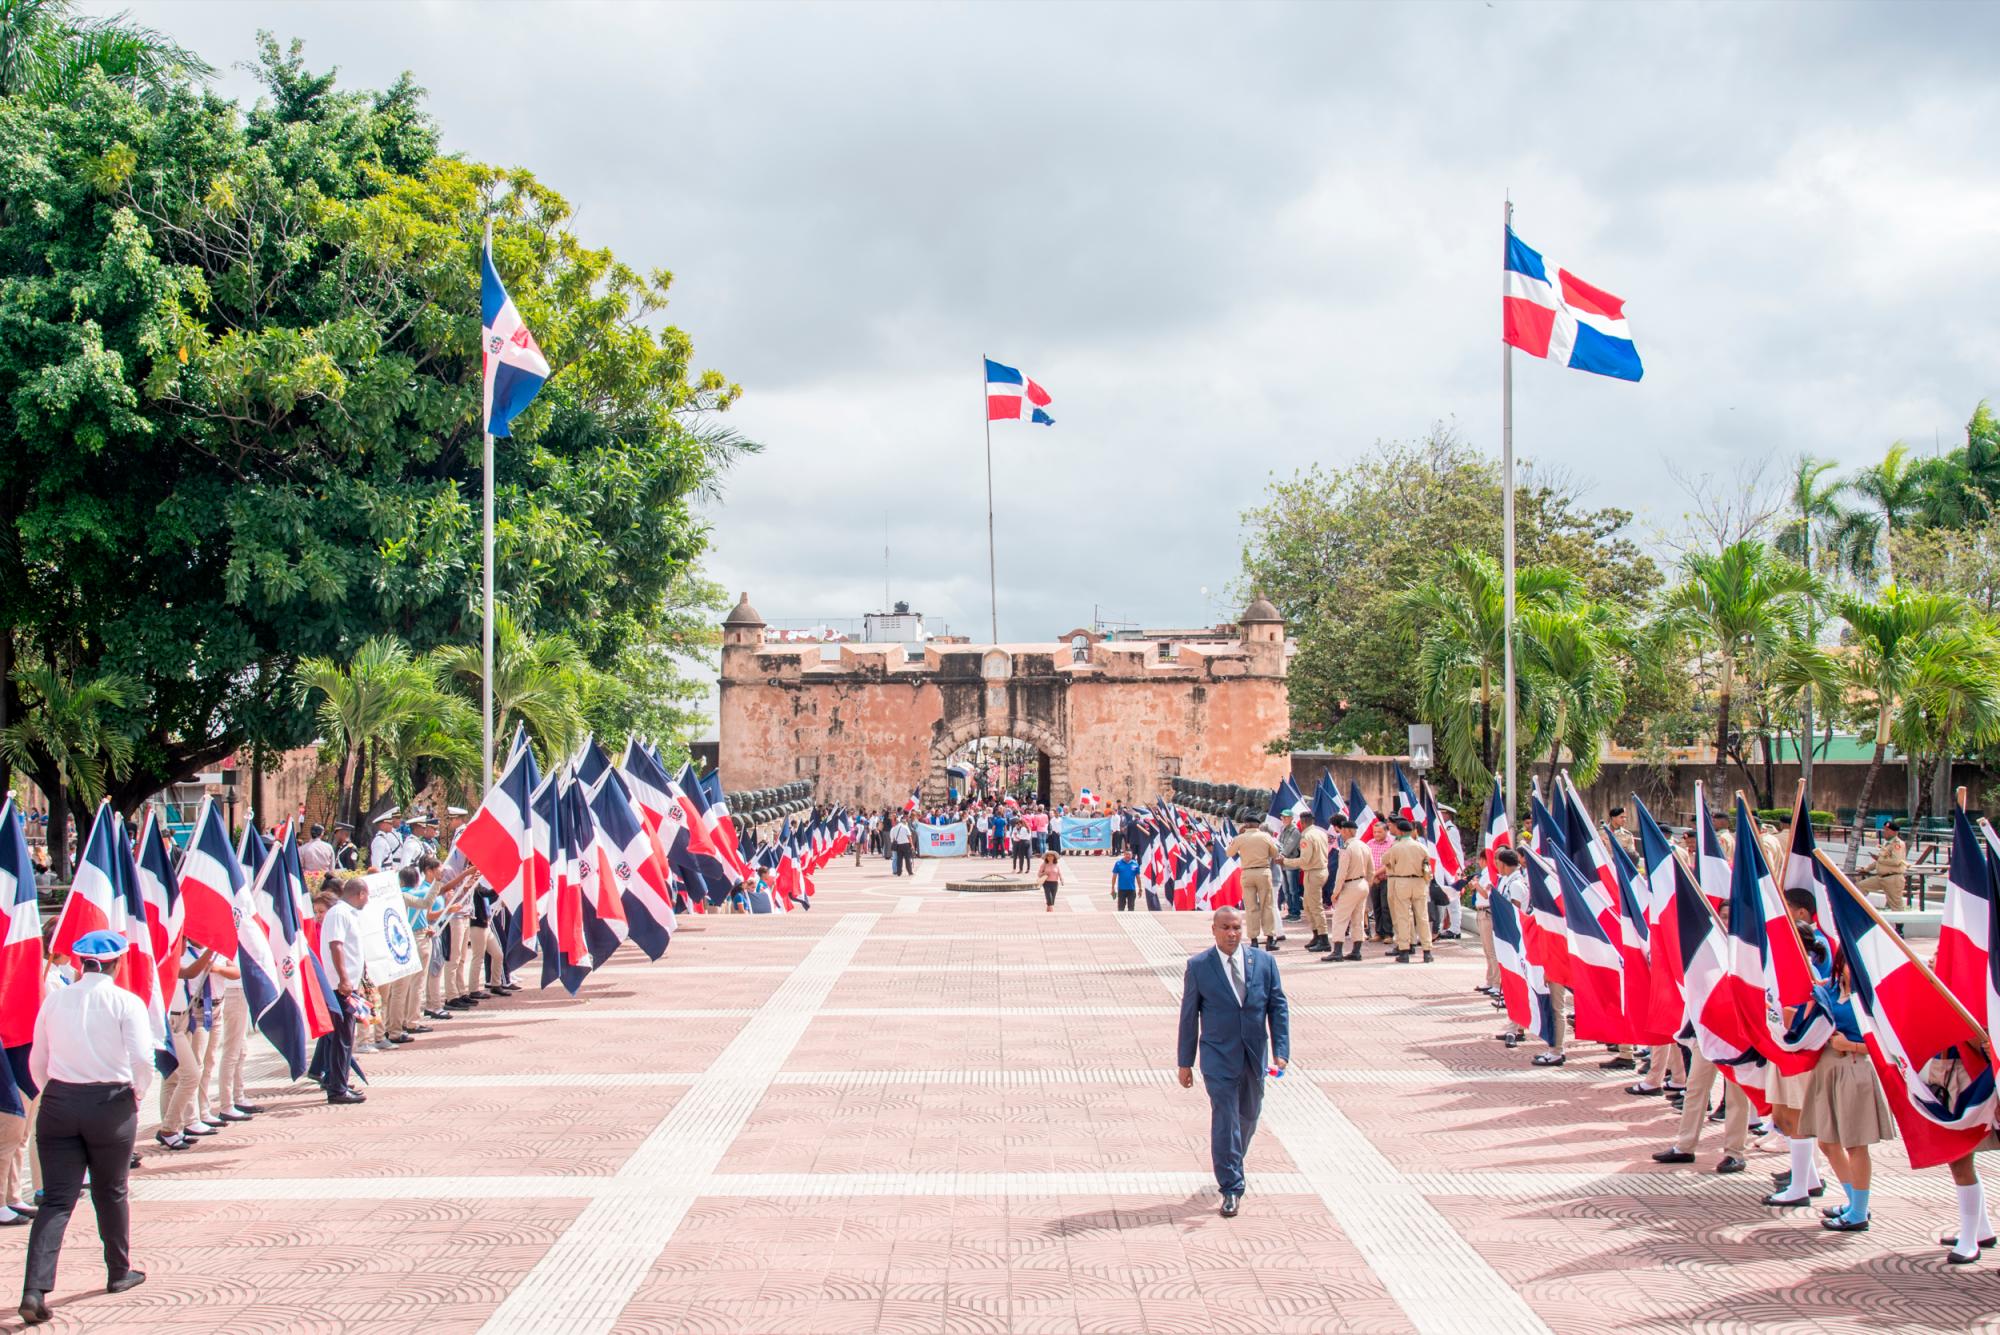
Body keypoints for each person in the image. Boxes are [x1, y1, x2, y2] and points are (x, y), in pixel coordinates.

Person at [20, 931, 154, 1325]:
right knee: (110, 1191)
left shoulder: (56, 1000)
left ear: (79, 963)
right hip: (110, 1103)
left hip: (60, 1101)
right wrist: (138, 1093)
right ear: (118, 962)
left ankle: (34, 1289)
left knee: (57, 1201)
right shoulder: (125, 1001)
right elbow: (142, 1059)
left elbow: (37, 1059)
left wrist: (54, 1091)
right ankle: (118, 1270)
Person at [1176, 906, 1290, 1219]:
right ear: (1213, 930)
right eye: (1225, 928)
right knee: (1225, 1117)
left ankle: (1232, 1159)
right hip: (1217, 1057)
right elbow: (1189, 1017)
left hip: (1254, 1054)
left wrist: (1281, 1049)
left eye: (1237, 928)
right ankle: (1231, 1186)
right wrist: (1185, 1062)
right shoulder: (1199, 966)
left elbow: (1277, 1006)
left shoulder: (1264, 962)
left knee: (1249, 1115)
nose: (1232, 934)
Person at [1801, 951, 1897, 1233]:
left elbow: (1886, 1045)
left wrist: (1851, 1046)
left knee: (1855, 1143)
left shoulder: (1868, 998)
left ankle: (1858, 1211)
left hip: (1854, 1067)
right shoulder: (1829, 990)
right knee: (1827, 1142)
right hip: (1827, 1067)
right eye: (1846, 963)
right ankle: (1855, 1201)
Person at [318, 877, 369, 1105]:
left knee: (346, 1037)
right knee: (341, 1038)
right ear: (360, 894)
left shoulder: (348, 914)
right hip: (339, 986)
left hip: (347, 985)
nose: (367, 901)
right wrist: (344, 978)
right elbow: (336, 945)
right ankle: (337, 1089)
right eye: (366, 896)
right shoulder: (339, 913)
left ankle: (340, 1081)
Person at [1224, 820, 1283, 952]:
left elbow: (1229, 853)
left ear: (1247, 825)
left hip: (1247, 872)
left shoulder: (1239, 838)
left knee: (1251, 908)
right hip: (1263, 871)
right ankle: (1270, 938)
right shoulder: (1266, 836)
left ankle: (1254, 940)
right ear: (1257, 825)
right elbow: (1275, 853)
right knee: (1267, 906)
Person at [1381, 818, 1434, 964]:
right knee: (1422, 917)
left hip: (1402, 881)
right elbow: (1427, 863)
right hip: (1419, 882)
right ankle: (1427, 951)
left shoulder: (1396, 847)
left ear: (1400, 831)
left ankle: (1404, 950)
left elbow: (1385, 860)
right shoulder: (1421, 846)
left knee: (1403, 916)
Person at [1324, 817, 1372, 963]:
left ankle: (1337, 951)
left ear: (1346, 831)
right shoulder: (1365, 846)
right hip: (1362, 883)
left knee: (1340, 918)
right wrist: (1367, 884)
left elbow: (1341, 872)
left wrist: (1335, 892)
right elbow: (1372, 870)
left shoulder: (1347, 847)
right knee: (1357, 919)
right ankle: (1356, 951)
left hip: (1350, 884)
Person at [1283, 812, 1330, 953]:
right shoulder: (1320, 833)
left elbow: (1304, 860)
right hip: (1318, 870)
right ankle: (1317, 935)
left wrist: (1285, 861)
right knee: (1308, 906)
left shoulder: (1307, 836)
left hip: (1314, 871)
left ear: (1302, 823)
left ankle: (1324, 938)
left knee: (1315, 907)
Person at [1855, 821, 1909, 911]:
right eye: (1884, 829)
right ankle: (1860, 909)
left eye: (1887, 830)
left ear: (1894, 832)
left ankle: (1899, 924)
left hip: (1893, 878)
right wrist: (1867, 869)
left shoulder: (1898, 844)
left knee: (1896, 905)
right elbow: (1880, 861)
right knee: (1861, 886)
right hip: (1881, 877)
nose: (1884, 831)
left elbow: (1896, 861)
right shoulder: (1886, 844)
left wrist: (1879, 859)